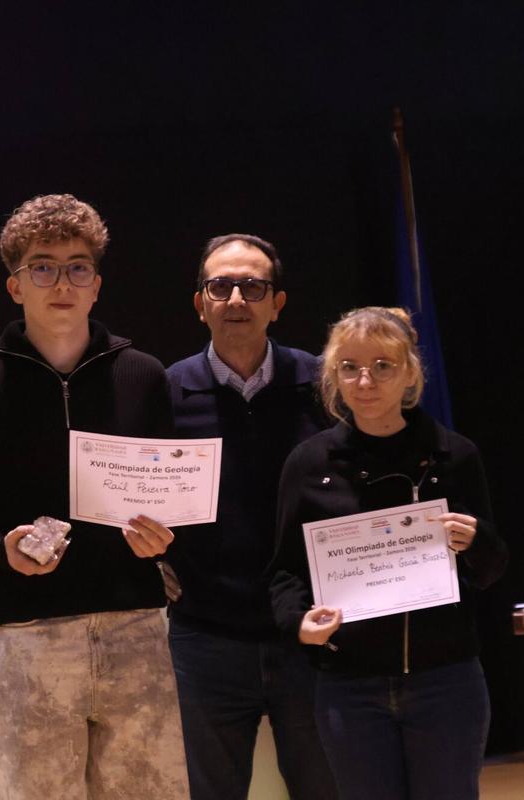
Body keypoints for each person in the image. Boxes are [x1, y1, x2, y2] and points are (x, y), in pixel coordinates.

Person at [0, 194, 188, 799]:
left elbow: (176, 493)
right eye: (42, 266)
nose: (60, 282)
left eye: (77, 266)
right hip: (28, 635)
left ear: (96, 284)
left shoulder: (143, 375)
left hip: (137, 628)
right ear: (15, 286)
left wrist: (168, 539)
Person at [269, 306, 508, 800]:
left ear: (410, 373)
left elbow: (493, 567)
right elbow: (285, 573)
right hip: (349, 686)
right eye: (350, 367)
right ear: (333, 376)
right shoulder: (309, 464)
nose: (365, 380)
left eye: (383, 366)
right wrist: (298, 623)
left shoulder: (454, 455)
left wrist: (476, 540)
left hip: (446, 681)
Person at [166, 234, 337, 799]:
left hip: (310, 635)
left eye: (252, 286)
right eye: (221, 286)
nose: (236, 298)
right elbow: (131, 502)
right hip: (205, 640)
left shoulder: (325, 385)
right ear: (200, 303)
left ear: (276, 303)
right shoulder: (163, 393)